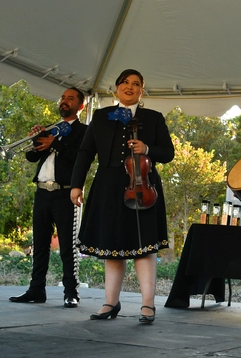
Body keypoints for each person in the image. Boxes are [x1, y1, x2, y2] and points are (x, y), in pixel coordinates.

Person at [70, 69, 174, 323]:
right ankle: (110, 303)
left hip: (143, 186)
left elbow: (168, 152)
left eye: (136, 83)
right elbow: (85, 152)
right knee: (111, 246)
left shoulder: (153, 117)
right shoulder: (101, 115)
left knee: (143, 246)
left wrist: (147, 148)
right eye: (125, 82)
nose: (130, 87)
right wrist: (76, 185)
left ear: (142, 91)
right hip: (108, 186)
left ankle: (147, 305)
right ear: (116, 88)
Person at [9, 87, 88, 308]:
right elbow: (32, 156)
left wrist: (55, 143)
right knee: (40, 244)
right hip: (42, 192)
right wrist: (37, 139)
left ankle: (71, 292)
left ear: (80, 106)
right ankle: (36, 289)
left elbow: (79, 158)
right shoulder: (52, 129)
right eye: (63, 97)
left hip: (65, 193)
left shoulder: (84, 131)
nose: (64, 101)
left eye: (70, 98)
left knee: (67, 246)